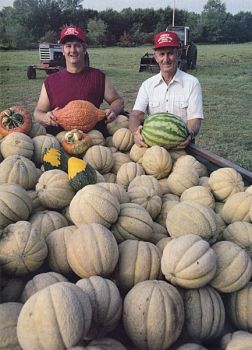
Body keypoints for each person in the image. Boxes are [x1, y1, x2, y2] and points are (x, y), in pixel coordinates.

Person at [34, 26, 124, 136]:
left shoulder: (99, 77)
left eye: (77, 46)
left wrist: (113, 111)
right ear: (62, 50)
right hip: (59, 138)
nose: (72, 50)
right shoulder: (50, 81)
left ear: (84, 49)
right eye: (68, 46)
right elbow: (38, 112)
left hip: (92, 139)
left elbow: (117, 100)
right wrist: (45, 118)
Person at [129, 30, 203, 149]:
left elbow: (195, 120)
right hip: (154, 149)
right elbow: (136, 115)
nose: (166, 59)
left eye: (170, 53)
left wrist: (190, 134)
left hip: (182, 148)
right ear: (156, 57)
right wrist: (135, 133)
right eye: (162, 54)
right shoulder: (147, 85)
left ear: (179, 54)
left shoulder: (192, 83)